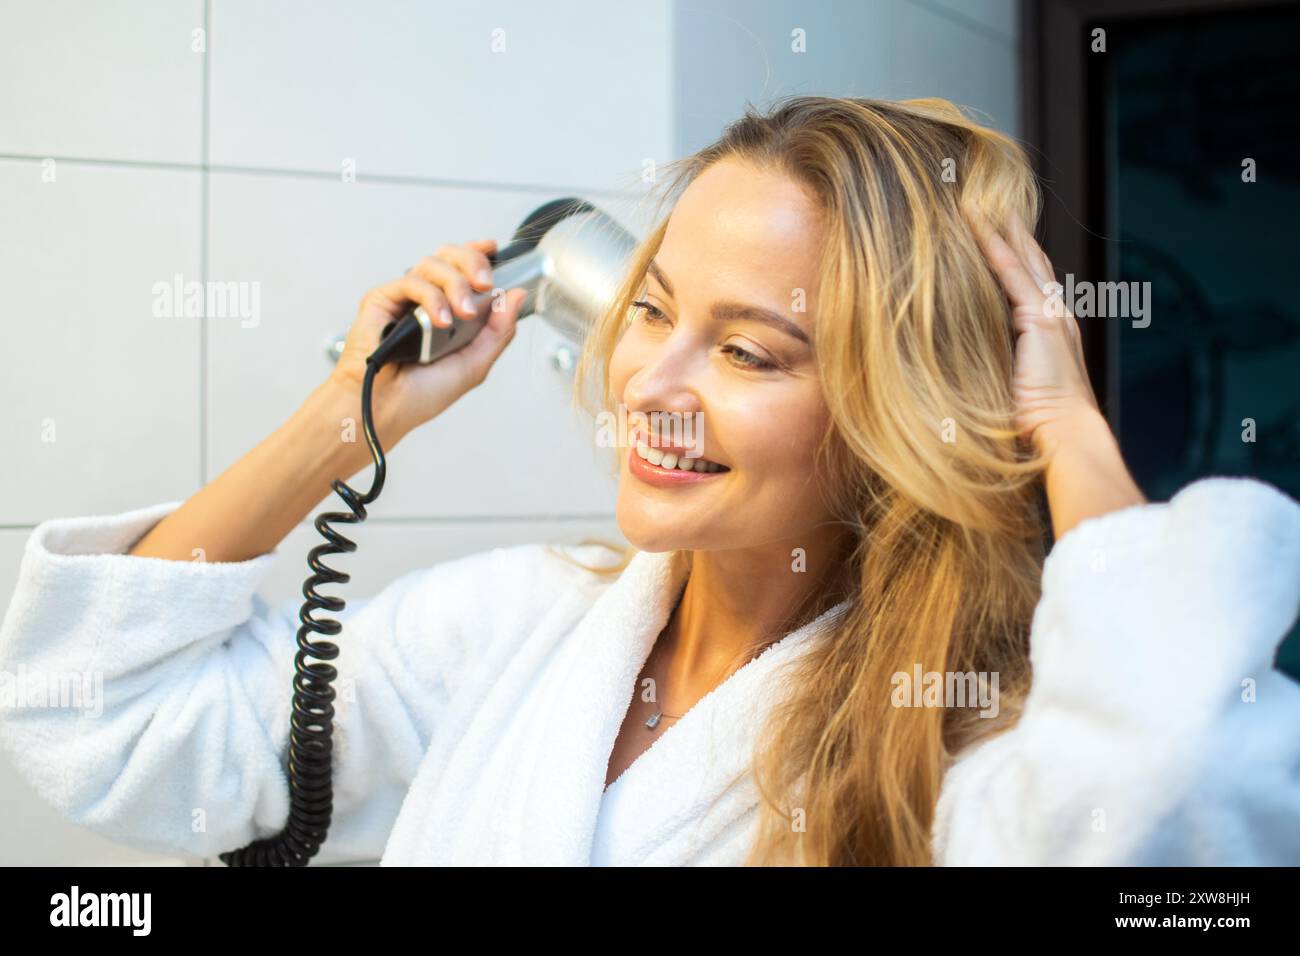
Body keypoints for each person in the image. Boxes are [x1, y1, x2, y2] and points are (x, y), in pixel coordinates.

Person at [1, 96, 1297, 866]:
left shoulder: (963, 736)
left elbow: (1182, 786)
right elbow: (103, 713)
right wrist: (343, 421)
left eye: (748, 349)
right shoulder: (515, 629)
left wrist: (1064, 429)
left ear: (893, 413)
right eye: (652, 308)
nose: (648, 381)